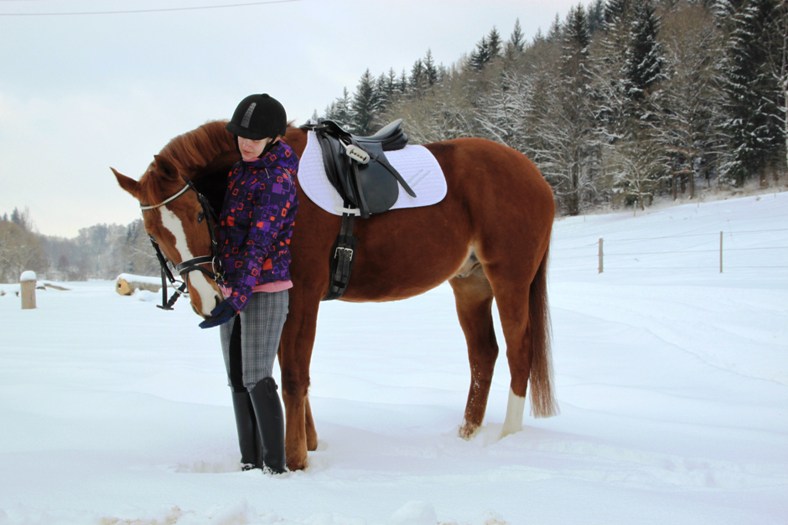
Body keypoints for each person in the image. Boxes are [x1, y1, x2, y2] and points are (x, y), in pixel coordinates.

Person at [199, 93, 299, 475]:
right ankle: (248, 463)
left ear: (274, 138)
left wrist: (238, 297)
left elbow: (260, 242)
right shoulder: (240, 170)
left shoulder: (278, 180)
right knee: (235, 377)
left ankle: (274, 468)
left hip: (266, 289)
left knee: (257, 374)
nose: (245, 143)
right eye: (241, 135)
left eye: (254, 138)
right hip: (233, 291)